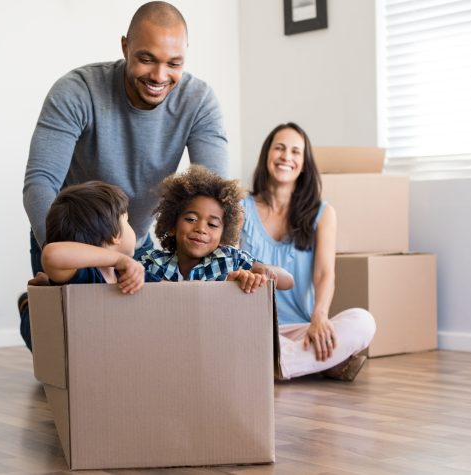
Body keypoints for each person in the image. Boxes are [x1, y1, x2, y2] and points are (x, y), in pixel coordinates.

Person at [23, 1, 228, 277]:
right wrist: (62, 256)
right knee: (52, 320)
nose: (159, 75)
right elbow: (40, 182)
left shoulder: (199, 102)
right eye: (147, 59)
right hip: (69, 246)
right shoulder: (77, 91)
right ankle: (30, 310)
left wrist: (228, 266)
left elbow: (217, 196)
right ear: (125, 47)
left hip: (134, 243)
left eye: (174, 63)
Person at [241, 122, 376, 381]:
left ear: (304, 164)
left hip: (301, 329)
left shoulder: (322, 214)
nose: (286, 157)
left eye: (295, 152)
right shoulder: (240, 207)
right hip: (251, 327)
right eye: (279, 148)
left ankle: (278, 365)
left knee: (363, 321)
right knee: (240, 338)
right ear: (266, 155)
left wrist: (320, 316)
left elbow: (325, 274)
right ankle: (322, 363)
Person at [20, 181, 160, 351]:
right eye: (127, 221)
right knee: (40, 337)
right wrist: (118, 259)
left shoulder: (128, 275)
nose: (133, 229)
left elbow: (166, 293)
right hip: (75, 355)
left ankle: (47, 284)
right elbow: (51, 254)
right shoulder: (83, 276)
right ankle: (28, 305)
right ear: (115, 235)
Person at [139, 165, 294, 292]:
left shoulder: (231, 260)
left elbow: (288, 281)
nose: (201, 229)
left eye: (212, 224)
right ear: (172, 225)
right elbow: (121, 277)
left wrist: (263, 271)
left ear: (223, 235)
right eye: (191, 219)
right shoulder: (154, 262)